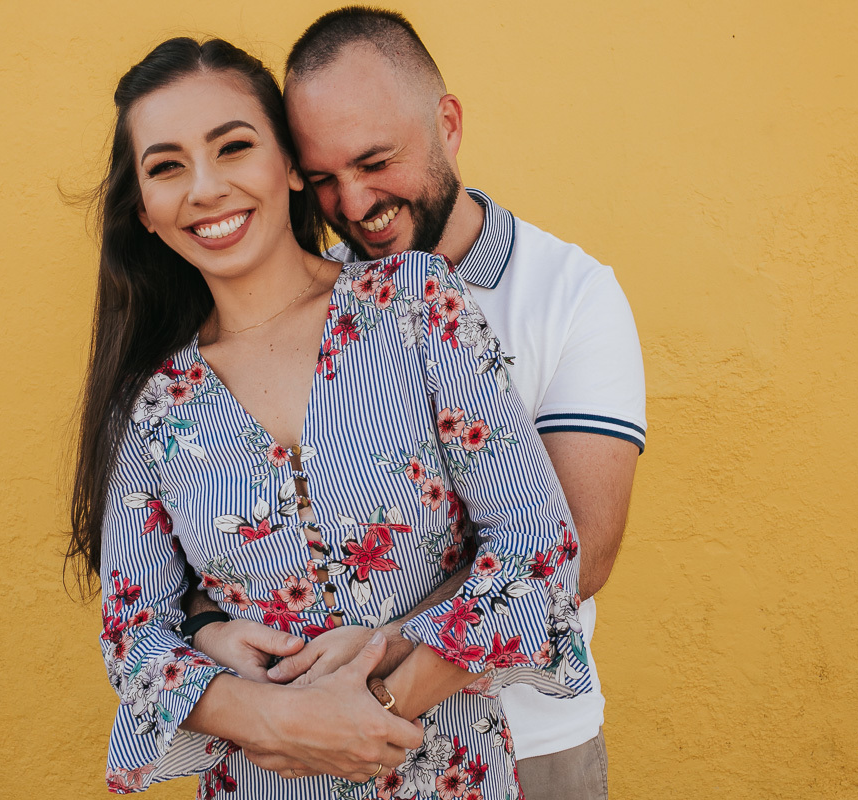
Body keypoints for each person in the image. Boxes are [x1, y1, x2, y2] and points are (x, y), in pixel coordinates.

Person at [68, 36, 595, 797]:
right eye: (166, 167)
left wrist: (385, 695)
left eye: (233, 147)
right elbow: (133, 635)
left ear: (290, 166)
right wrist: (269, 718)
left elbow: (540, 551)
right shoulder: (150, 407)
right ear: (144, 212)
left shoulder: (418, 308)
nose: (206, 188)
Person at [181, 9, 647, 800]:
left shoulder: (571, 294)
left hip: (529, 741)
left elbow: (580, 553)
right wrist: (215, 632)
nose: (353, 202)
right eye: (323, 178)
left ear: (448, 125)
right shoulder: (302, 306)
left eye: (375, 162)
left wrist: (375, 664)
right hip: (316, 762)